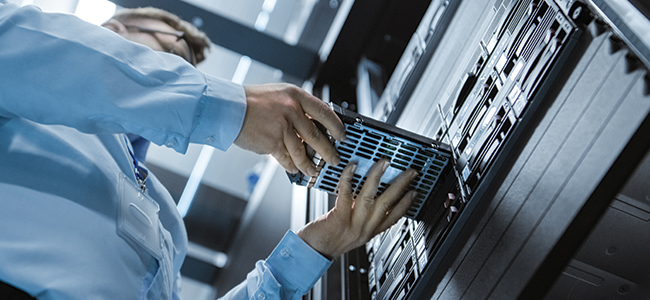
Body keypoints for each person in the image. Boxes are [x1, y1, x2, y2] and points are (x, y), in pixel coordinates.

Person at [0, 2, 418, 300]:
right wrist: (229, 108)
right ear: (112, 32)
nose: (181, 75)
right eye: (174, 52)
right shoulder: (30, 113)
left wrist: (314, 248)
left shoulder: (166, 224)